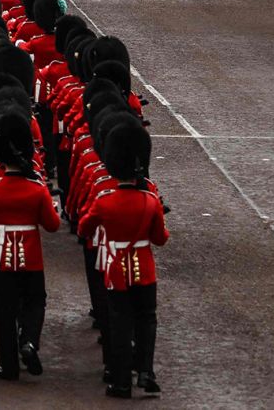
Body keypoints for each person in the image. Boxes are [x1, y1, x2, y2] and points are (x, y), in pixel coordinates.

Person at [0, 109, 59, 380]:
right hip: (30, 254)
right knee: (35, 300)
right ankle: (29, 340)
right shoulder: (36, 188)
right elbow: (52, 225)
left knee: (3, 309)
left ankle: (7, 365)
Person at [79, 121, 168, 398]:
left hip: (116, 268)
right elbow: (160, 238)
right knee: (147, 320)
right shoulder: (150, 199)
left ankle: (121, 382)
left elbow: (84, 228)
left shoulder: (105, 200)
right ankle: (146, 372)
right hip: (145, 268)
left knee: (120, 324)